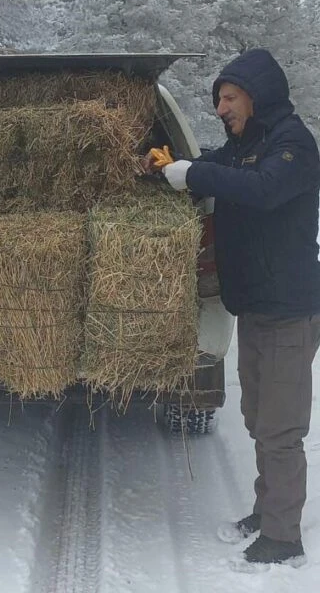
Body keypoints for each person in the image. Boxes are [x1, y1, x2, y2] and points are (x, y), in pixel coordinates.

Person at [151, 48, 320, 569]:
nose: (221, 108)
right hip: (255, 307)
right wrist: (170, 165)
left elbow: (265, 190)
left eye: (229, 98)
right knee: (255, 418)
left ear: (257, 94)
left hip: (290, 308)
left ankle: (283, 538)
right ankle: (267, 510)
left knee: (280, 428)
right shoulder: (242, 144)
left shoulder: (292, 144)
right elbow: (213, 166)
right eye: (218, 100)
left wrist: (196, 176)